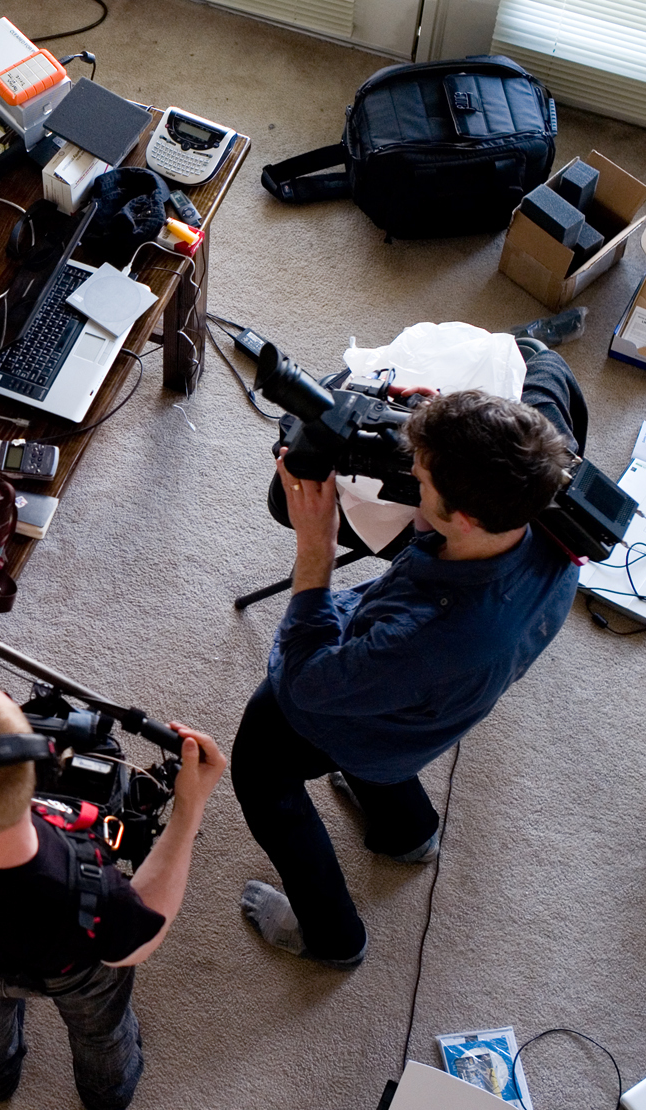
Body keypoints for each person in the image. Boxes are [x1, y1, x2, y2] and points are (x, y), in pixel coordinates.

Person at [234, 366, 581, 969]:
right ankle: (408, 835)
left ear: (466, 517)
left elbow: (306, 679)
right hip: (434, 711)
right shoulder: (560, 515)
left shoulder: (420, 637)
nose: (409, 478)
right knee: (386, 744)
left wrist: (315, 547)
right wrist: (443, 431)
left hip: (379, 708)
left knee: (261, 773)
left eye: (419, 478)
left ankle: (333, 938)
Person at [0, 587, 227, 1110]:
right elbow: (137, 941)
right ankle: (108, 1092)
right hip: (72, 971)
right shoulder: (88, 887)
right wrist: (188, 810)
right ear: (39, 766)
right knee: (100, 1028)